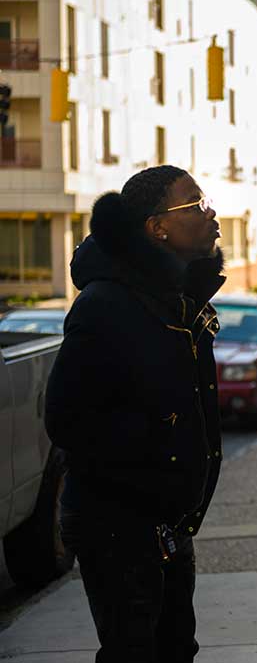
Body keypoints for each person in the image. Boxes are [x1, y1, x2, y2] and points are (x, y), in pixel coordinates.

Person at [45, 165, 225, 662]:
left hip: (168, 521)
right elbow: (65, 418)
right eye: (195, 203)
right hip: (117, 522)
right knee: (133, 651)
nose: (211, 213)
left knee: (176, 649)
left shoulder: (179, 302)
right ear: (157, 227)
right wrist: (154, 466)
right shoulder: (107, 305)